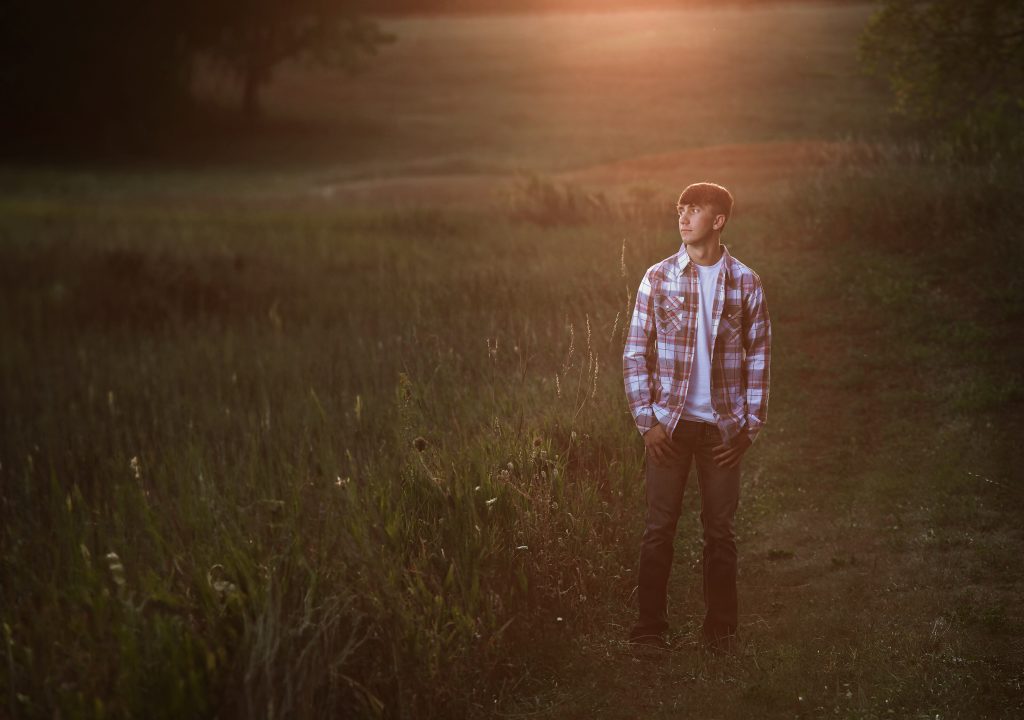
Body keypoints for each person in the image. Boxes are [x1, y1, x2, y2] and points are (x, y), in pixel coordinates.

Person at [622, 181, 771, 652]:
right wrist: (647, 420)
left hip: (723, 431)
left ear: (718, 220)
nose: (683, 217)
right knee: (658, 528)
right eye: (680, 209)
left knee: (720, 532)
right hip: (669, 426)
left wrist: (750, 427)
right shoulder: (658, 277)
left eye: (694, 209)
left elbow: (760, 356)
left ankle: (721, 632)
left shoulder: (746, 282)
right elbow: (633, 352)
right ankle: (649, 631)